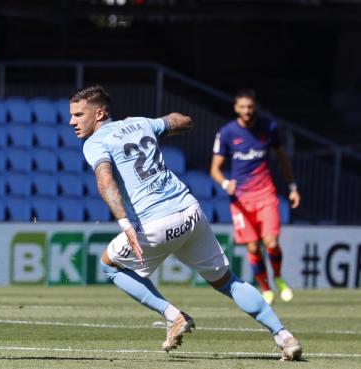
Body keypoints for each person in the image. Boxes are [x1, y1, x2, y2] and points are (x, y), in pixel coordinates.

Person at [70, 85, 302, 361]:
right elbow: (183, 121)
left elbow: (105, 180)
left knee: (109, 265)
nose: (72, 121)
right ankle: (284, 336)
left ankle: (173, 315)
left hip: (155, 222)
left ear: (99, 114)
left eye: (78, 114)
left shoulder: (95, 143)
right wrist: (158, 126)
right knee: (229, 282)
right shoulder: (140, 123)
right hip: (190, 212)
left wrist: (124, 224)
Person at [210, 89, 301, 305]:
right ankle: (266, 287)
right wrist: (225, 183)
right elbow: (214, 169)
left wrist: (293, 187)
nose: (247, 111)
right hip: (240, 199)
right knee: (252, 247)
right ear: (236, 108)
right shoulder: (227, 133)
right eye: (242, 107)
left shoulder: (269, 128)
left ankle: (278, 277)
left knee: (271, 243)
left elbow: (282, 160)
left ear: (255, 107)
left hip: (265, 194)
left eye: (250, 107)